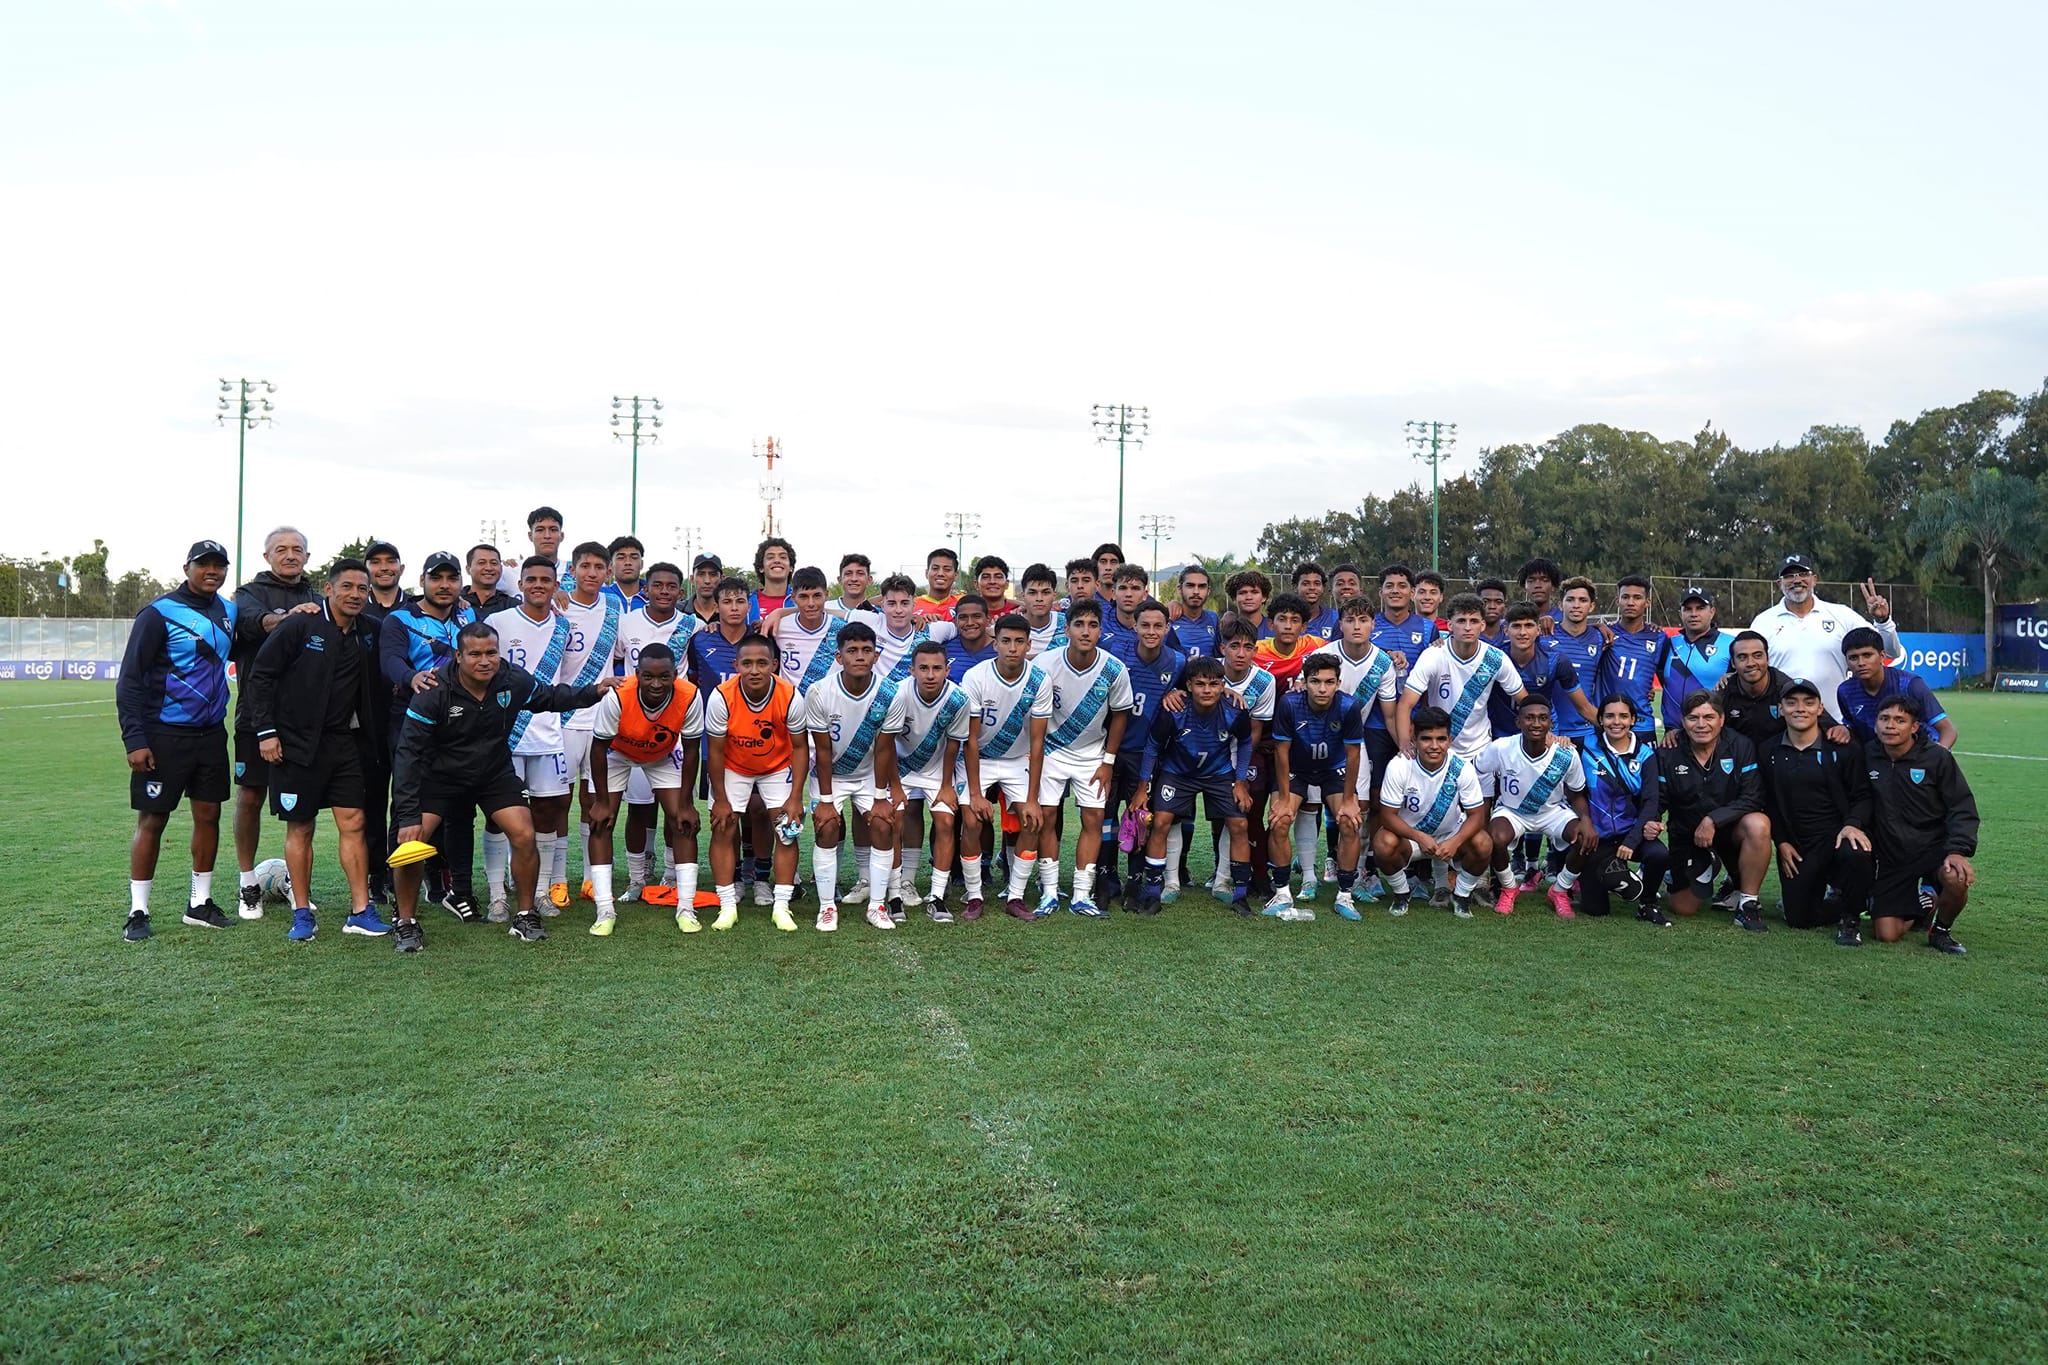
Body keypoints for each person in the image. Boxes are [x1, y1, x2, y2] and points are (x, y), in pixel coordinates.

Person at [391, 621, 619, 948]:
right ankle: (406, 922)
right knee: (412, 843)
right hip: (439, 776)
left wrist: (593, 691)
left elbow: (550, 697)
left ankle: (525, 917)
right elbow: (408, 753)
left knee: (524, 833)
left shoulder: (511, 680)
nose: (484, 661)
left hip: (492, 773)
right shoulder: (434, 691)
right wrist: (409, 816)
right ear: (458, 656)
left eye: (491, 653)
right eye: (475, 654)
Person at [242, 559, 390, 944]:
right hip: (293, 744)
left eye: (362, 588)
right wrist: (267, 732)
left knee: (354, 821)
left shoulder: (370, 631)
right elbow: (261, 677)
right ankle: (302, 912)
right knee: (301, 826)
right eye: (348, 587)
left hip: (344, 743)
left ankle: (360, 911)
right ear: (328, 589)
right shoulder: (299, 625)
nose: (356, 594)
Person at [117, 539, 238, 941]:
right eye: (204, 564)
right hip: (163, 734)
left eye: (219, 565)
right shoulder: (158, 614)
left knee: (209, 816)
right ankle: (138, 910)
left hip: (210, 736)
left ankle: (199, 904)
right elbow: (130, 679)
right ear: (187, 567)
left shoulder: (228, 611)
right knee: (153, 819)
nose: (213, 571)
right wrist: (135, 739)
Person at [378, 549, 478, 918]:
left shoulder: (467, 615)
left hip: (458, 727)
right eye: (437, 578)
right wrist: (411, 676)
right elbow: (389, 659)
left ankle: (448, 880)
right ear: (422, 581)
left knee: (456, 805)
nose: (444, 585)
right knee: (408, 805)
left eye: (451, 578)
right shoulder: (400, 618)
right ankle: (395, 882)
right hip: (411, 722)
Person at [482, 557, 580, 921]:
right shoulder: (497, 622)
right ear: (520, 584)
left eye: (546, 579)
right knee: (498, 816)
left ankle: (539, 893)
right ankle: (497, 894)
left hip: (548, 734)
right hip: (505, 735)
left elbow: (565, 680)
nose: (539, 585)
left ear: (556, 586)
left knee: (548, 814)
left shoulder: (564, 626)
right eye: (531, 579)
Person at [230, 526, 320, 919]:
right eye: (281, 549)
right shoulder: (249, 594)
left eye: (297, 549)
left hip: (303, 721)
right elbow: (255, 623)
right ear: (267, 556)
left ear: (306, 556)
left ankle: (295, 885)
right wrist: (287, 618)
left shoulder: (318, 595)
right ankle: (248, 882)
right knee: (250, 797)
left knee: (303, 808)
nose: (289, 555)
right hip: (256, 714)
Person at [586, 642, 703, 935]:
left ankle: (686, 907)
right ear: (636, 674)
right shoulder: (618, 695)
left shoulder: (689, 695)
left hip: (661, 754)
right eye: (648, 676)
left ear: (675, 674)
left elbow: (691, 751)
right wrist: (601, 801)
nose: (656, 683)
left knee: (683, 821)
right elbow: (598, 749)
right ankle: (604, 910)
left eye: (664, 676)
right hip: (616, 753)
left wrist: (687, 801)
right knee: (600, 821)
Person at [1031, 598, 1135, 917]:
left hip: (1092, 756)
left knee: (1092, 821)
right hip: (1051, 751)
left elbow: (1120, 715)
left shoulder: (1113, 668)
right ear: (1068, 630)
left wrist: (1108, 761)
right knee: (1047, 818)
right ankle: (1049, 891)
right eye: (1079, 624)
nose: (1085, 631)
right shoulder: (1045, 664)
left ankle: (1081, 894)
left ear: (1100, 631)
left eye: (1092, 625)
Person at [805, 620, 910, 930]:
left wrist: (881, 797)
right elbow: (822, 752)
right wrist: (825, 800)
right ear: (839, 658)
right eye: (852, 651)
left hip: (868, 776)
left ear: (876, 656)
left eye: (867, 650)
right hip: (830, 776)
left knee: (882, 824)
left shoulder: (891, 693)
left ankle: (877, 906)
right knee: (826, 827)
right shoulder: (819, 692)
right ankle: (827, 907)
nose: (860, 656)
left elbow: (884, 749)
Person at [1127, 656, 1252, 913]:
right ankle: (1153, 893)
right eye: (1200, 684)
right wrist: (1142, 788)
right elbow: (1152, 747)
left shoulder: (1235, 709)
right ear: (1189, 685)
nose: (1207, 690)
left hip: (1218, 772)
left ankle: (1240, 895)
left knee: (1239, 823)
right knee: (1161, 821)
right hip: (1178, 773)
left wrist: (1240, 782)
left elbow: (1246, 741)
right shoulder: (1174, 709)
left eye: (1214, 684)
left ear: (1222, 685)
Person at [704, 634, 810, 932]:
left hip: (776, 766)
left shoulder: (790, 695)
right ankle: (727, 906)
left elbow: (800, 747)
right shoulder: (721, 696)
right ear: (736, 665)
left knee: (787, 830)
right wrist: (722, 799)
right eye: (747, 663)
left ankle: (781, 906)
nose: (754, 670)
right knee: (723, 826)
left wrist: (796, 797)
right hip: (734, 766)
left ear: (774, 665)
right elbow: (715, 750)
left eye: (762, 663)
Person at [1761, 678, 1873, 944]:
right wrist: (1783, 841)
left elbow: (1863, 795)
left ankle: (1851, 917)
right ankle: (1854, 899)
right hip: (1799, 846)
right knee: (1798, 920)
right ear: (1781, 709)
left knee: (1857, 851)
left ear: (1820, 709)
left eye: (1809, 703)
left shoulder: (1843, 749)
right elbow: (1768, 802)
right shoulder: (1769, 751)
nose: (1800, 708)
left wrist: (1853, 823)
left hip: (1836, 837)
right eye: (1792, 702)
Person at [1864, 694, 1976, 954]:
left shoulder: (1937, 758)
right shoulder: (1868, 754)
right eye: (1884, 719)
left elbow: (1962, 807)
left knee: (1956, 878)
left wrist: (1957, 850)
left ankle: (1941, 931)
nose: (1890, 725)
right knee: (1886, 934)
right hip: (1893, 855)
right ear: (1875, 724)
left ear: (1914, 727)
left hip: (1933, 848)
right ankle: (1925, 904)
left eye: (1900, 720)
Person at [1308, 596, 1402, 904]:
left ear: (1374, 625)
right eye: (1350, 620)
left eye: (1363, 620)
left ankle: (1359, 876)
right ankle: (1308, 877)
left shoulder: (1382, 663)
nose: (1356, 626)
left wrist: (1405, 749)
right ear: (1341, 624)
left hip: (1353, 744)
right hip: (1313, 740)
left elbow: (1389, 714)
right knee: (1308, 807)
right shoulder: (1323, 653)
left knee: (1357, 810)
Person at [1652, 690, 1771, 931]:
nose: (1701, 724)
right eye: (1693, 718)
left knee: (1758, 824)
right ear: (1683, 721)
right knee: (1682, 908)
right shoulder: (1668, 751)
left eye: (1709, 717)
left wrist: (1713, 820)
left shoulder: (1740, 745)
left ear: (1722, 719)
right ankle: (1702, 866)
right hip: (1687, 835)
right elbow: (1659, 799)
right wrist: (1652, 823)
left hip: (1729, 830)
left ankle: (1748, 905)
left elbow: (1753, 796)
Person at [548, 542, 624, 911]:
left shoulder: (615, 609)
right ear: (573, 570)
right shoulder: (557, 606)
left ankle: (593, 879)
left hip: (603, 718)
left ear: (607, 572)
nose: (591, 573)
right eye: (585, 566)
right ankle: (557, 878)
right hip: (563, 718)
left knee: (595, 800)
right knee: (558, 800)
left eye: (598, 567)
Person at [1096, 598, 1188, 902]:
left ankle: (1136, 880)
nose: (1151, 631)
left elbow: (1200, 684)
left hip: (1147, 753)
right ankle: (1106, 876)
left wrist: (1179, 691)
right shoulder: (1114, 657)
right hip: (1110, 748)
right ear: (1134, 626)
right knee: (1105, 816)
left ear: (1167, 628)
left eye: (1158, 625)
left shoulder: (1177, 661)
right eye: (1145, 625)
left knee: (1140, 816)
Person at [963, 614, 1052, 920]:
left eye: (1019, 641)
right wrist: (976, 794)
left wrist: (1031, 798)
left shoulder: (1039, 679)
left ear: (1029, 644)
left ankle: (1015, 896)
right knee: (972, 821)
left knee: (1031, 821)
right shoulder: (976, 677)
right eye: (1005, 641)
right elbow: (970, 741)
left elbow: (1038, 742)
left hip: (1017, 761)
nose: (1012, 648)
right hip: (981, 759)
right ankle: (974, 896)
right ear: (995, 643)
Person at [1263, 655, 1364, 922]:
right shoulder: (1289, 704)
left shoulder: (1348, 706)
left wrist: (1350, 798)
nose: (1322, 688)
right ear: (1305, 682)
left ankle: (1345, 894)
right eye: (1315, 681)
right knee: (1280, 820)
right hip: (1297, 766)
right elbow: (1281, 753)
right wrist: (1284, 798)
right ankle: (1283, 892)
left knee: (1349, 821)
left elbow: (1354, 754)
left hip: (1333, 768)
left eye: (1329, 682)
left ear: (1338, 683)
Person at [613, 561, 691, 899]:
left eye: (671, 586)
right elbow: (613, 661)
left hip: (674, 725)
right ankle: (637, 878)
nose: (663, 591)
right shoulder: (625, 622)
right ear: (646, 588)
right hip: (634, 725)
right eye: (657, 585)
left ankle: (672, 876)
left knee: (675, 808)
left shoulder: (694, 625)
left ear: (680, 591)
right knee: (639, 806)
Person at [1481, 696, 1597, 917]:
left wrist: (1586, 820)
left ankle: (1560, 890)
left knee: (1585, 838)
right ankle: (1509, 887)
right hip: (1513, 811)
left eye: (1543, 718)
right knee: (1494, 837)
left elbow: (1576, 792)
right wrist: (1484, 810)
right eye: (1530, 718)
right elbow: (1478, 771)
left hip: (1552, 811)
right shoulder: (1501, 747)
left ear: (1551, 723)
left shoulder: (1566, 753)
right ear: (1518, 722)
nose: (1536, 723)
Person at [1748, 553, 1901, 720]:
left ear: (1814, 579)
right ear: (1779, 584)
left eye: (1803, 574)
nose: (1797, 580)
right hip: (1784, 723)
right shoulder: (1763, 621)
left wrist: (1883, 620)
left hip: (1836, 723)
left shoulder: (1841, 614)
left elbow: (1891, 652)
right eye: (1789, 576)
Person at [1375, 705, 1493, 920]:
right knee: (1383, 842)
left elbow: (1477, 815)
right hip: (1411, 838)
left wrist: (1456, 841)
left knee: (1483, 842)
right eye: (1426, 739)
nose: (1434, 746)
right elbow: (1387, 815)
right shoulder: (1399, 765)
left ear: (1450, 740)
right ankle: (1402, 894)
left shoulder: (1462, 767)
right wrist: (1418, 836)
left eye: (1441, 739)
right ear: (1414, 737)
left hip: (1449, 835)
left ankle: (1462, 895)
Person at [891, 640, 972, 922]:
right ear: (911, 670)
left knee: (946, 821)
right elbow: (886, 743)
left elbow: (953, 744)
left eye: (937, 668)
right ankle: (895, 892)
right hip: (899, 768)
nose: (930, 674)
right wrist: (895, 785)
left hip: (937, 771)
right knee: (896, 819)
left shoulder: (958, 699)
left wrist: (947, 785)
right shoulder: (897, 694)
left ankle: (936, 896)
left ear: (947, 670)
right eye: (923, 668)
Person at [1577, 697, 1672, 926]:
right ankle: (1615, 874)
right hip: (1598, 838)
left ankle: (1647, 904)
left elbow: (1651, 801)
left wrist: (1631, 841)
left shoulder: (1646, 755)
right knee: (1595, 910)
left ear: (1632, 720)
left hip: (1632, 833)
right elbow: (1574, 789)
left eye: (1623, 716)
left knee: (1659, 854)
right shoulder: (1586, 746)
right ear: (1600, 719)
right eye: (1609, 716)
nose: (1616, 722)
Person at [1837, 627, 1957, 748]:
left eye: (1867, 655)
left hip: (1920, 754)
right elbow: (1851, 728)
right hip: (1879, 758)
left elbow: (1948, 730)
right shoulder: (1845, 692)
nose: (1861, 663)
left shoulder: (1910, 685)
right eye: (1853, 658)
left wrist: (1938, 758)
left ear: (1882, 656)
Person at [1653, 586, 1730, 737]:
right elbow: (1664, 680)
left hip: (1713, 733)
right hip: (1673, 736)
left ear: (1712, 611)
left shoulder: (1730, 644)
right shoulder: (1669, 644)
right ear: (1680, 613)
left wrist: (1732, 676)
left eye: (1700, 608)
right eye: (1688, 609)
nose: (1694, 614)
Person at [760, 565, 846, 695]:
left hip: (829, 708)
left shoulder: (842, 628)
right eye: (803, 597)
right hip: (791, 707)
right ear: (793, 598)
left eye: (817, 596)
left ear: (826, 595)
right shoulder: (779, 626)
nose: (811, 603)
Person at [1598, 576, 1663, 737]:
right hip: (1609, 722)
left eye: (1637, 597)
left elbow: (1666, 678)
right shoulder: (1604, 634)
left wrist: (1648, 690)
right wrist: (1597, 625)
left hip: (1642, 723)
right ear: (1617, 601)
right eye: (1625, 597)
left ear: (1647, 603)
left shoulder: (1658, 637)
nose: (1630, 602)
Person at [1546, 577, 1606, 744]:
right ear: (1560, 605)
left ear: (1592, 606)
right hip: (1550, 731)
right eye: (1570, 600)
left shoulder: (1601, 639)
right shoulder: (1544, 636)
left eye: (1583, 600)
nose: (1576, 605)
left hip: (1587, 730)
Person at [1717, 630, 1799, 749]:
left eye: (1757, 655)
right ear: (1733, 663)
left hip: (1778, 760)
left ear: (1768, 659)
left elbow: (1820, 720)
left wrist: (1834, 728)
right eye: (1742, 657)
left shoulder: (1786, 688)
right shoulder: (1724, 690)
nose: (1751, 663)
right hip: (1738, 761)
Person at [1371, 563, 1437, 688]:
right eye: (1389, 586)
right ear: (1381, 592)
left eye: (1402, 586)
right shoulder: (1369, 625)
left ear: (1412, 593)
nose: (1395, 591)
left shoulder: (1428, 628)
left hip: (1415, 706)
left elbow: (1433, 675)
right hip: (1375, 705)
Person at [942, 593, 997, 681]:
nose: (970, 623)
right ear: (955, 621)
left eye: (977, 616)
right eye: (963, 617)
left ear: (988, 619)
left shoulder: (1001, 651)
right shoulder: (944, 650)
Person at [1017, 562, 1067, 658]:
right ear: (1023, 596)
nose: (1039, 598)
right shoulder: (1010, 626)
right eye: (1032, 592)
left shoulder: (1069, 623)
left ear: (1054, 595)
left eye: (1046, 592)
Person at [1169, 563, 1219, 658]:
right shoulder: (1169, 617)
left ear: (1208, 591)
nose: (1196, 591)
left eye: (1202, 586)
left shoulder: (1213, 618)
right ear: (1180, 589)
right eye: (1190, 586)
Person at [461, 543, 517, 618]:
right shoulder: (455, 602)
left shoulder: (513, 607)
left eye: (494, 563)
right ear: (468, 569)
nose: (488, 568)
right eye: (481, 563)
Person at [1291, 561, 1339, 639]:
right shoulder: (1285, 620)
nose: (1312, 588)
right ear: (1295, 587)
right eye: (1306, 584)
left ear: (1323, 588)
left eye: (1317, 584)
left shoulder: (1336, 619)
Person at [751, 537, 796, 618]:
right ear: (761, 567)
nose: (777, 561)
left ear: (791, 567)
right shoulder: (747, 602)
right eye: (770, 557)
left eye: (783, 557)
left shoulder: (800, 601)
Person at [601, 535, 646, 613]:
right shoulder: (600, 596)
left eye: (634, 557)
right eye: (621, 558)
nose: (628, 562)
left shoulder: (655, 598)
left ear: (641, 564)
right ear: (611, 565)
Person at [915, 547, 961, 622]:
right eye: (935, 568)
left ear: (956, 575)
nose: (940, 574)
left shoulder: (963, 605)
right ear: (926, 573)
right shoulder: (911, 606)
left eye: (947, 569)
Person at [830, 552, 880, 617]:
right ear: (840, 580)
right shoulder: (824, 609)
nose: (854, 579)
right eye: (848, 573)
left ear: (869, 580)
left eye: (860, 574)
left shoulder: (879, 614)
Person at [1224, 568, 1270, 637]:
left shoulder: (1275, 628)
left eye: (1254, 592)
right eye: (1242, 593)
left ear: (1264, 597)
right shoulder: (1224, 627)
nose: (1249, 597)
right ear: (1234, 598)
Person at [1517, 557, 1563, 626]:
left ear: (1553, 586)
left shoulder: (1564, 620)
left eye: (1544, 580)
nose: (1537, 585)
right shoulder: (1513, 620)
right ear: (1524, 587)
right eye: (1531, 581)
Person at [687, 554, 725, 628]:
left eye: (713, 574)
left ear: (722, 579)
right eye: (701, 574)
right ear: (692, 579)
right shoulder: (677, 611)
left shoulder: (732, 612)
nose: (707, 581)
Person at [526, 506, 566, 576]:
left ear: (562, 536)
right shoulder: (512, 571)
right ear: (530, 536)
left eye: (553, 530)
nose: (547, 536)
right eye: (540, 530)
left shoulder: (575, 572)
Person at [1474, 578, 1510, 646]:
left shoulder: (1513, 630)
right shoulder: (1468, 633)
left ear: (1504, 604)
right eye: (1485, 601)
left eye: (1498, 602)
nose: (1492, 606)